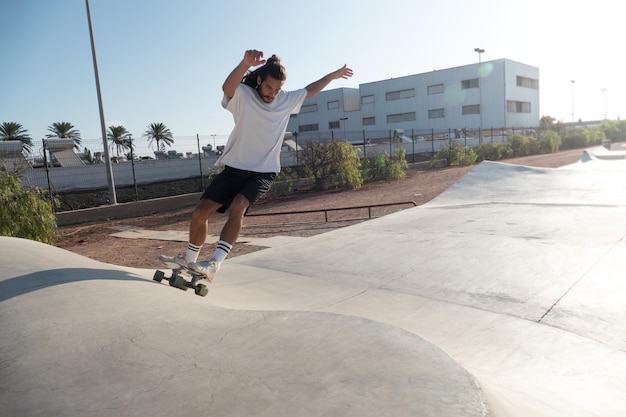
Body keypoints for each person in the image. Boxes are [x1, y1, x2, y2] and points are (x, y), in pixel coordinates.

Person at [160, 49, 353, 282]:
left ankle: (214, 264)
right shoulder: (243, 94)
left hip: (263, 171)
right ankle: (189, 261)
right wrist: (244, 64)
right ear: (259, 80)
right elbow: (227, 89)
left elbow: (310, 90)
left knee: (239, 206)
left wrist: (333, 75)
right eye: (269, 88)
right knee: (200, 212)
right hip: (235, 167)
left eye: (277, 89)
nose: (273, 94)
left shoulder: (285, 100)